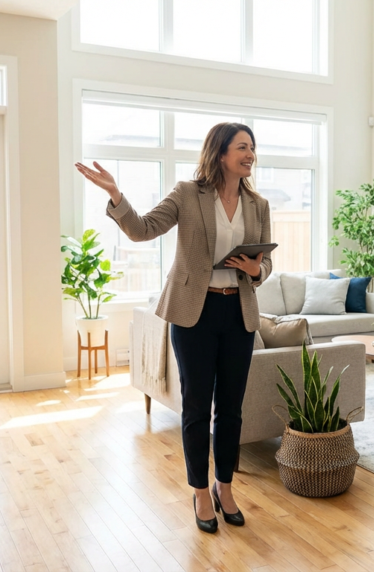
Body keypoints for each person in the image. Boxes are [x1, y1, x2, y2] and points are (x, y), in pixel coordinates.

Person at [76, 123, 272, 534]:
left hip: (239, 313)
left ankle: (225, 486)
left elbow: (265, 262)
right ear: (220, 153)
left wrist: (257, 269)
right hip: (193, 315)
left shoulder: (259, 204)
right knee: (198, 407)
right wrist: (116, 195)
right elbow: (142, 229)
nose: (250, 154)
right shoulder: (188, 194)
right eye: (242, 147)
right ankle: (200, 491)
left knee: (232, 409)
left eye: (252, 147)